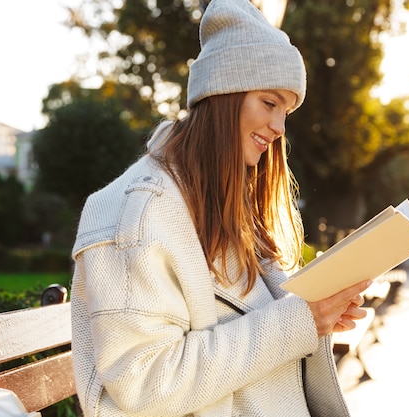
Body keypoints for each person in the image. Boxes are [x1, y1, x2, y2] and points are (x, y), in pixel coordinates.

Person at [70, 0, 372, 416]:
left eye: (285, 111)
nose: (279, 128)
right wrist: (299, 321)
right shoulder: (138, 214)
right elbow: (144, 385)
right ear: (222, 94)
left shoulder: (221, 200)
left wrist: (319, 308)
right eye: (269, 103)